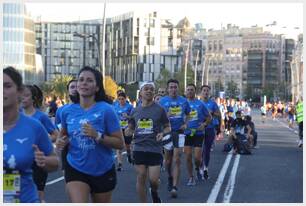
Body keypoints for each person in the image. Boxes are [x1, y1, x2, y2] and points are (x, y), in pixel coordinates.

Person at [56, 66, 124, 203]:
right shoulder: (66, 111)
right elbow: (62, 136)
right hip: (75, 166)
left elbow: (119, 143)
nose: (84, 83)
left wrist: (97, 136)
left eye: (89, 80)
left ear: (97, 87)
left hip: (102, 168)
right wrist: (60, 142)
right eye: (81, 80)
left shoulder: (107, 110)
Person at [3, 66, 59, 203]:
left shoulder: (34, 126)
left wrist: (43, 161)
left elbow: (55, 162)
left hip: (24, 199)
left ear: (19, 92)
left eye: (7, 86)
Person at [125, 81, 171, 203]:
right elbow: (131, 127)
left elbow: (167, 126)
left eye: (151, 89)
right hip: (139, 147)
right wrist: (128, 131)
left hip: (154, 148)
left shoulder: (160, 109)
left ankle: (154, 192)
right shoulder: (135, 111)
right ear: (141, 92)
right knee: (141, 177)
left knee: (154, 180)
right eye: (146, 89)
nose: (149, 91)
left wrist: (163, 133)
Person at [21, 84, 59, 202]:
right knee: (13, 195)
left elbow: (55, 134)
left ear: (33, 98)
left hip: (37, 161)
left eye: (26, 95)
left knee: (37, 195)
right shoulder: (14, 116)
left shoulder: (41, 117)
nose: (22, 98)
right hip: (18, 161)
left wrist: (41, 142)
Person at [159, 79, 191, 198]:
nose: (173, 89)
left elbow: (188, 114)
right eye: (171, 87)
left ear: (178, 88)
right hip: (167, 133)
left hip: (179, 132)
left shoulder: (184, 101)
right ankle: (169, 176)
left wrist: (185, 124)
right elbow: (157, 118)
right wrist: (165, 117)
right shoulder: (162, 101)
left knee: (177, 159)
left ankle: (174, 187)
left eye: (175, 87)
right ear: (167, 89)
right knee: (167, 161)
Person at [184, 84, 211, 185]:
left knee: (197, 158)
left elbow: (209, 117)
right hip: (187, 133)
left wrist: (204, 124)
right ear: (186, 92)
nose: (190, 91)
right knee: (187, 156)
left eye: (192, 90)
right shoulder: (182, 103)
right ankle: (191, 177)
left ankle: (199, 166)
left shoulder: (200, 104)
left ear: (195, 92)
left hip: (198, 133)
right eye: (188, 90)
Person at [54, 79, 78, 172]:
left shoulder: (87, 108)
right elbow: (59, 128)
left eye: (77, 87)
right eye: (72, 87)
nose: (75, 89)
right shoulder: (61, 110)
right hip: (67, 147)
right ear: (68, 91)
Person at [200, 85, 221, 180]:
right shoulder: (198, 103)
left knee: (207, 149)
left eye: (207, 91)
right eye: (204, 90)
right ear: (201, 92)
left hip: (210, 128)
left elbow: (218, 114)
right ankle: (199, 166)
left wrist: (211, 112)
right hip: (199, 129)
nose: (206, 92)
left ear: (209, 92)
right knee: (199, 150)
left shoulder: (212, 103)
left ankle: (205, 168)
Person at [113, 91, 134, 171]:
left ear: (125, 99)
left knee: (127, 145)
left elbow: (133, 118)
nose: (121, 101)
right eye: (119, 99)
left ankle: (129, 154)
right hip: (119, 129)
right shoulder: (115, 107)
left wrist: (127, 116)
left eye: (122, 99)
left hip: (127, 128)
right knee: (119, 146)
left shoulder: (130, 107)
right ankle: (120, 164)